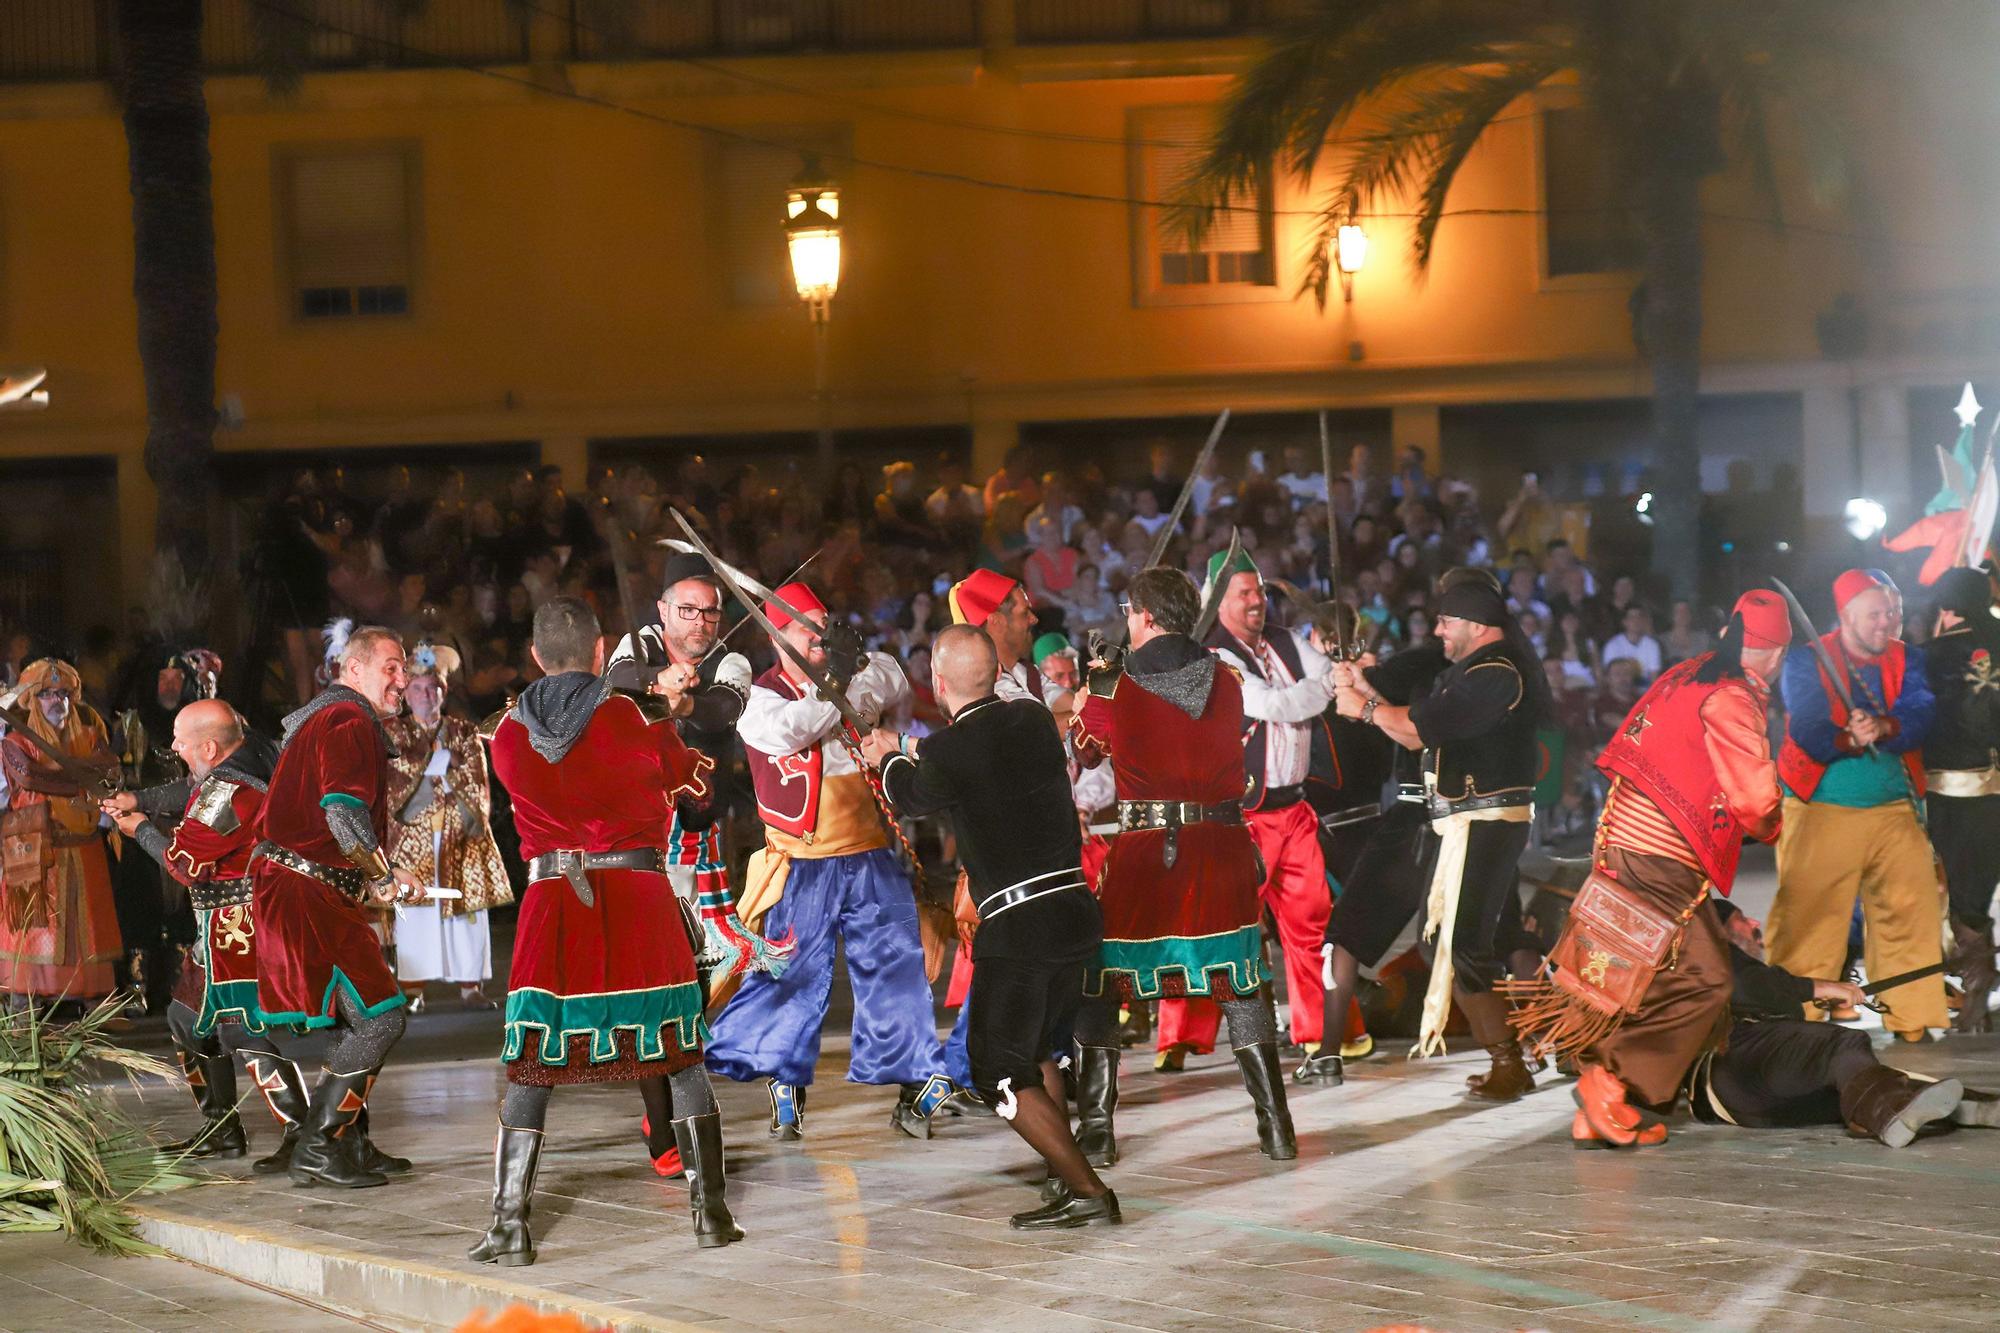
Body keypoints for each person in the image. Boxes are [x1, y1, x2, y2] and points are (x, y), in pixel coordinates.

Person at [476, 597, 739, 1264]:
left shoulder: (506, 735)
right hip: (639, 900)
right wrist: (676, 721)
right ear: (600, 653)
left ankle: (509, 1226)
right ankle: (710, 1215)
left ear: (536, 655)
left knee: (530, 1065)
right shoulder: (637, 720)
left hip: (551, 904)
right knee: (678, 1054)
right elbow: (701, 802)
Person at [1507, 591, 1791, 1147]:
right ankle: (1611, 1085)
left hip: (1623, 840)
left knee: (1637, 978)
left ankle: (1600, 1108)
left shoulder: (1690, 672)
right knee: (1707, 981)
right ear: (1778, 654)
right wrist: (1780, 818)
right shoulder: (1734, 696)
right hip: (1661, 853)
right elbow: (1757, 804)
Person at [865, 625, 1116, 1229]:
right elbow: (963, 758)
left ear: (938, 683)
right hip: (1076, 915)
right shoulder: (1029, 720)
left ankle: (1087, 1189)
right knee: (1035, 1051)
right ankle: (1064, 1173)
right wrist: (904, 745)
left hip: (1021, 927)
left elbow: (910, 793)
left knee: (995, 1069)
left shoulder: (949, 753)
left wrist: (885, 755)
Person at [704, 583, 952, 1140]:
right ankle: (784, 1082)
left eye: (824, 625)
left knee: (895, 964)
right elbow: (796, 729)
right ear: (776, 636)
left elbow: (890, 676)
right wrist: (838, 678)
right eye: (805, 628)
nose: (819, 636)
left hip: (868, 853)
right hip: (803, 861)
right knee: (793, 975)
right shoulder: (758, 699)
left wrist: (856, 659)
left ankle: (916, 1080)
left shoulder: (849, 673)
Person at [1069, 568, 1297, 1163]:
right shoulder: (1227, 676)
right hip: (1220, 848)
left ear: (1143, 616)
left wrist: (1091, 690)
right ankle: (1277, 1129)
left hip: (1148, 854)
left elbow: (1084, 753)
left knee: (1102, 984)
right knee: (1240, 984)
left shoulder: (1112, 685)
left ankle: (1096, 1132)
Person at [607, 552, 792, 1174]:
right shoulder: (636, 646)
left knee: (697, 976)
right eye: (688, 609)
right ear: (663, 609)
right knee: (650, 978)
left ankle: (669, 1105)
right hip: (634, 834)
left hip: (693, 835)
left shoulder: (732, 661)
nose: (701, 621)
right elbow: (618, 688)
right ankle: (662, 1125)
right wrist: (660, 684)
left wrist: (685, 704)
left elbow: (723, 711)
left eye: (710, 611)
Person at [1333, 575, 1549, 1099]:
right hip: (1465, 823)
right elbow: (1412, 725)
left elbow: (1423, 726)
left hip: (1486, 823)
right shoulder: (1478, 669)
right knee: (1448, 942)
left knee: (1464, 944)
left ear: (1477, 626)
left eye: (1446, 622)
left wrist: (1362, 708)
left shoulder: (1496, 673)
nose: (1438, 631)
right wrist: (1363, 691)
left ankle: (1517, 1059)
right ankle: (1519, 1053)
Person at [252, 625, 423, 1189]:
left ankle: (349, 1142)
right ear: (352, 671)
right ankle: (320, 1145)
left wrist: (373, 878)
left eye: (406, 668)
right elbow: (342, 814)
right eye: (391, 667)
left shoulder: (331, 719)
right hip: (308, 891)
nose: (404, 679)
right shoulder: (348, 720)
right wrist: (386, 873)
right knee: (381, 1015)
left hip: (306, 885)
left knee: (355, 1016)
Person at [1158, 548, 1339, 1082]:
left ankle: (1321, 1034)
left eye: (1259, 590)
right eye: (1245, 592)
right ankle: (1179, 1034)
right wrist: (1316, 690)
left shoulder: (1285, 640)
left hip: (1295, 810)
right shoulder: (1214, 654)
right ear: (1220, 601)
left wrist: (1319, 684)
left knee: (1311, 924)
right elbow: (1274, 705)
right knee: (1217, 926)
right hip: (1241, 817)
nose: (1258, 600)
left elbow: (1332, 675)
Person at [105, 701, 309, 1170]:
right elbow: (193, 788)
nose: (174, 746)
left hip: (240, 927)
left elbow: (184, 864)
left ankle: (303, 1133)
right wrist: (140, 801)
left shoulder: (231, 789)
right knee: (184, 1018)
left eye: (181, 739)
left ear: (211, 747)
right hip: (219, 927)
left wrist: (139, 830)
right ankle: (221, 1130)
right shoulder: (246, 757)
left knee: (239, 1029)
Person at [1768, 569, 1945, 1041]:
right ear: (1846, 615)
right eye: (1875, 614)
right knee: (1810, 916)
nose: (1886, 623)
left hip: (1894, 806)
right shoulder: (1806, 660)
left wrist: (1886, 728)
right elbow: (1804, 722)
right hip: (1821, 806)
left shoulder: (1910, 659)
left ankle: (1911, 1016)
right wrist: (1846, 738)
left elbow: (1921, 707)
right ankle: (1796, 1017)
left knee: (1911, 909)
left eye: (1894, 612)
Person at [1680, 898, 1995, 1149]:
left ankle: (1975, 1106)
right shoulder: (1712, 955)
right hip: (1732, 1067)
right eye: (1741, 918)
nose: (1753, 923)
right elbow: (1748, 984)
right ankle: (1888, 1118)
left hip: (1751, 1105)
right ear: (1720, 930)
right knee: (1843, 1044)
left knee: (1864, 1082)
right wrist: (1820, 987)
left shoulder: (1745, 975)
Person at [383, 643, 513, 1011]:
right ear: (406, 693)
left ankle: (470, 986)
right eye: (418, 689)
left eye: (433, 688)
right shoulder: (394, 734)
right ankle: (413, 989)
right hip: (415, 840)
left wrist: (440, 771)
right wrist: (440, 763)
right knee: (417, 913)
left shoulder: (464, 731)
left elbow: (477, 784)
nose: (426, 695)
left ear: (444, 691)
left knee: (466, 914)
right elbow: (396, 788)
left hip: (459, 835)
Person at [0, 659, 122, 1004]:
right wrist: (81, 777)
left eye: (64, 694)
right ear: (32, 701)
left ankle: (96, 1012)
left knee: (88, 929)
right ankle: (24, 1012)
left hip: (84, 848)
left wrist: (65, 774)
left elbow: (109, 772)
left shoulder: (90, 734)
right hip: (36, 849)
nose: (58, 701)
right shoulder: (15, 741)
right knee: (33, 928)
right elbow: (29, 777)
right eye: (48, 694)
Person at [1919, 566, 2000, 1033]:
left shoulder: (1930, 656)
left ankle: (1972, 999)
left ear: (1946, 607)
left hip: (1953, 793)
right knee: (1978, 893)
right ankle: (1977, 996)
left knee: (1956, 895)